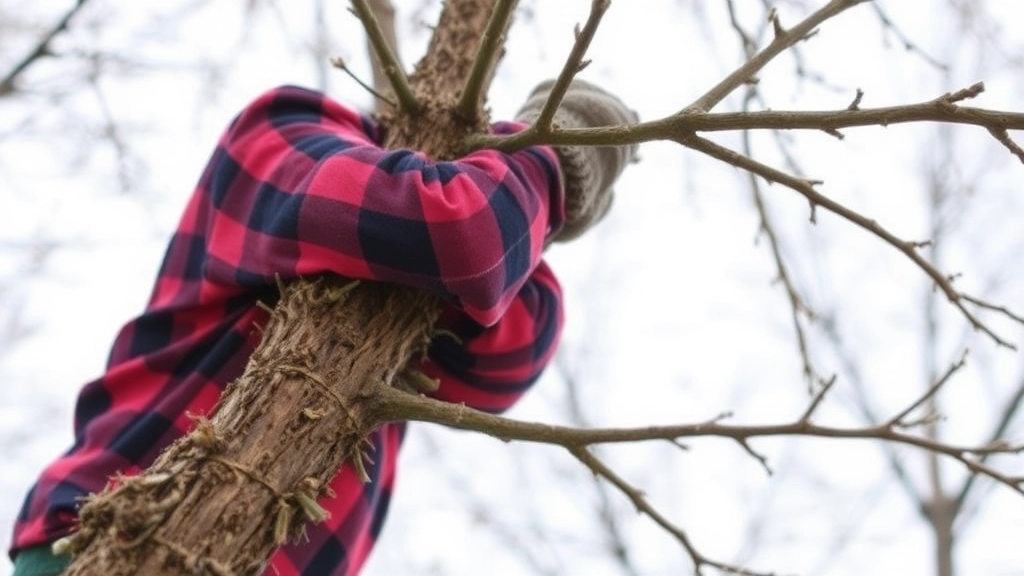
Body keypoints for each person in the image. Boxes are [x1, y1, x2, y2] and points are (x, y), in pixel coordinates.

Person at [9, 79, 636, 576]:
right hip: (103, 538)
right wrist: (552, 157)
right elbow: (463, 233)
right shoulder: (283, 128)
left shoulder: (525, 295)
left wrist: (524, 200)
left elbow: (510, 336)